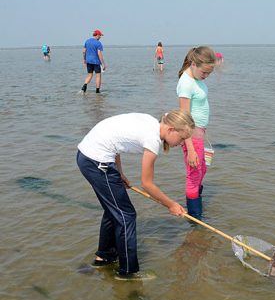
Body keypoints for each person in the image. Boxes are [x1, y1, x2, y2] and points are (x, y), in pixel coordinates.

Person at [77, 110, 195, 280]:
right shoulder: (152, 139)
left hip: (90, 157)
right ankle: (127, 272)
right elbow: (146, 184)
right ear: (171, 130)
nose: (182, 143)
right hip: (96, 162)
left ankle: (104, 258)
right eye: (182, 138)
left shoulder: (151, 122)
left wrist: (119, 173)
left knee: (114, 211)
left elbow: (114, 141)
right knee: (126, 215)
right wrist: (171, 205)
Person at [176, 46, 216, 219]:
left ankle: (197, 206)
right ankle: (196, 218)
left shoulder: (196, 77)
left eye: (209, 73)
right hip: (190, 134)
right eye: (205, 72)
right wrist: (190, 149)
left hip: (199, 132)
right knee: (194, 174)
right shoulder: (185, 83)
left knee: (201, 170)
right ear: (193, 64)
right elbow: (184, 118)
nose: (206, 76)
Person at [81, 30, 106, 94]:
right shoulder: (98, 43)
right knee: (98, 76)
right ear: (97, 35)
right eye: (100, 36)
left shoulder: (87, 41)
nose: (100, 37)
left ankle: (84, 86)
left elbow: (84, 51)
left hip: (88, 61)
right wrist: (103, 64)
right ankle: (97, 91)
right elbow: (99, 53)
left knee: (89, 75)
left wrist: (84, 60)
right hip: (96, 62)